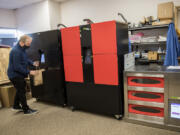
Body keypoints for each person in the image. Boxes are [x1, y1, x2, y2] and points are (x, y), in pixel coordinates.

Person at [8, 35, 39, 115]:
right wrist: (29, 72)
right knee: (21, 91)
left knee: (20, 89)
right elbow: (17, 67)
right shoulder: (16, 51)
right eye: (28, 43)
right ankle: (26, 110)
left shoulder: (21, 49)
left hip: (19, 74)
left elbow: (25, 59)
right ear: (22, 42)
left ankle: (16, 106)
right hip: (15, 75)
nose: (29, 45)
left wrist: (32, 63)